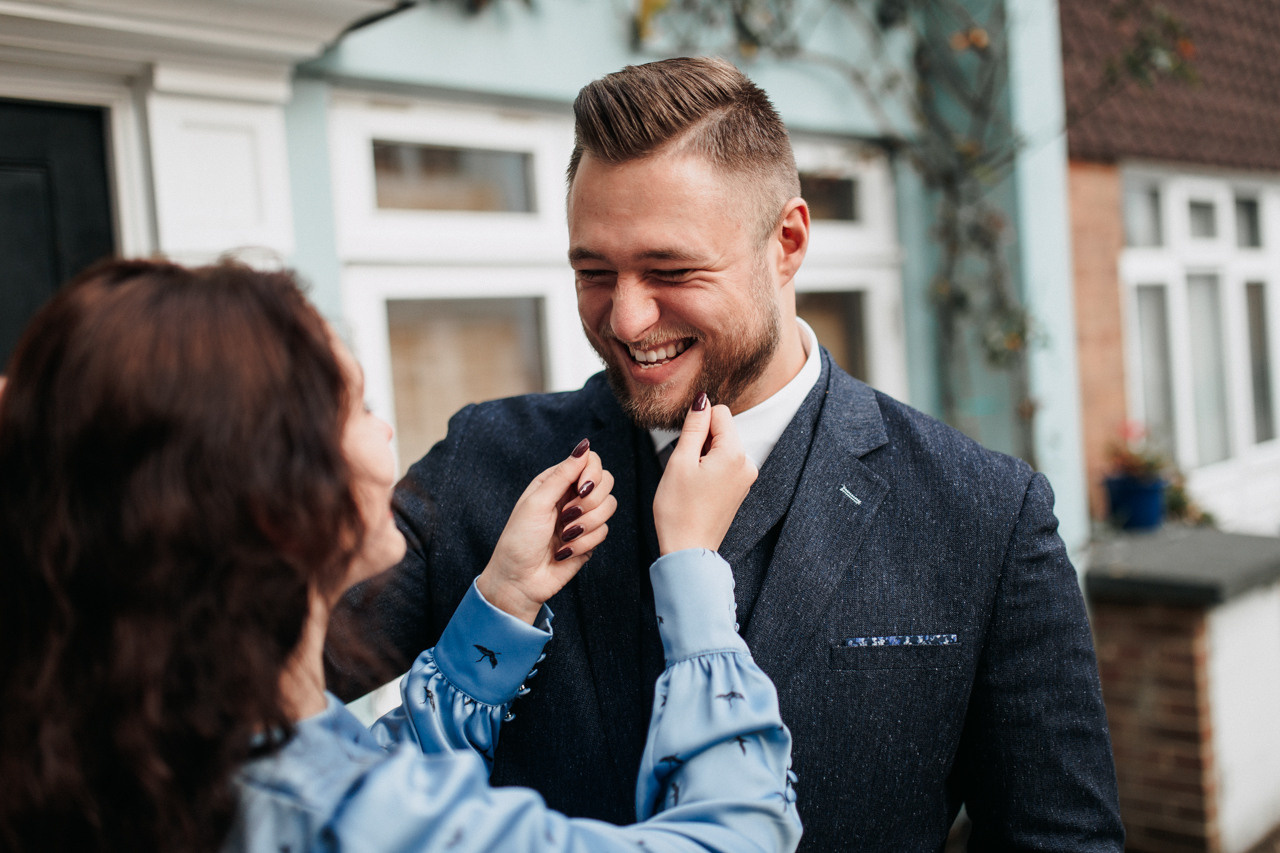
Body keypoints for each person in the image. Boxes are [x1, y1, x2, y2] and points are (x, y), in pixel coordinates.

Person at [332, 56, 1125, 851]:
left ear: (787, 242)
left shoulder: (985, 513)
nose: (629, 318)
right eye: (594, 272)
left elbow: (1059, 839)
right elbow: (262, 697)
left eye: (670, 270)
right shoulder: (482, 458)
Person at [0, 259, 801, 852]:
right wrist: (694, 571)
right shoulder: (331, 815)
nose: (388, 433)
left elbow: (352, 771)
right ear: (272, 493)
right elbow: (743, 836)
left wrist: (504, 596)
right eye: (358, 404)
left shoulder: (136, 754)